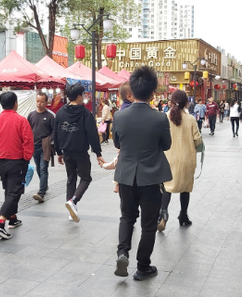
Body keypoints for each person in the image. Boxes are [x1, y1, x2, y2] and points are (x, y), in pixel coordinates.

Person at [112, 66, 172, 281]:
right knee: (148, 225)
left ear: (132, 90)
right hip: (150, 178)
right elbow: (166, 145)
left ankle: (122, 252)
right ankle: (143, 266)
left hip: (126, 176)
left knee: (127, 217)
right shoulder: (159, 118)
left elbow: (118, 143)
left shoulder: (119, 116)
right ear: (152, 92)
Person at [0, 92, 34, 240]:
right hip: (17, 161)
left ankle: (12, 217)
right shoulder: (21, 121)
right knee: (14, 192)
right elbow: (28, 142)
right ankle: (0, 223)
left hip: (1, 162)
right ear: (15, 103)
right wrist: (26, 158)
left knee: (9, 189)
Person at [54, 83, 105, 223]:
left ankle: (71, 210)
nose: (84, 97)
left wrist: (59, 152)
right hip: (81, 152)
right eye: (83, 95)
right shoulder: (85, 113)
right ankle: (74, 200)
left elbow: (56, 134)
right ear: (78, 96)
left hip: (67, 152)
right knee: (86, 178)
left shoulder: (60, 113)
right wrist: (98, 153)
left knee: (71, 179)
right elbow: (92, 134)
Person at [158, 90, 202, 232]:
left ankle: (163, 215)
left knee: (167, 187)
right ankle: (183, 216)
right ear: (186, 102)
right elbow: (197, 139)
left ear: (171, 102)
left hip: (168, 158)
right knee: (185, 188)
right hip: (186, 159)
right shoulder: (190, 119)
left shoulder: (164, 117)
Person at [27, 92, 55, 203]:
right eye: (38, 101)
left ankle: (41, 192)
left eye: (42, 101)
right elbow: (27, 129)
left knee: (43, 168)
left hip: (45, 146)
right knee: (38, 168)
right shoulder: (31, 115)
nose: (39, 104)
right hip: (34, 146)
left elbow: (54, 131)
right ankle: (45, 184)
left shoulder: (50, 116)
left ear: (46, 102)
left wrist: (49, 140)